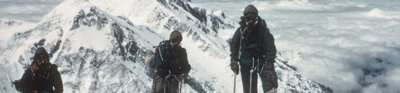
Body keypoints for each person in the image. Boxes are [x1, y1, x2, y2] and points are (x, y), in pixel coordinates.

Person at [230, 5, 278, 93]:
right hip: (246, 63)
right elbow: (234, 46)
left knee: (269, 87)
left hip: (260, 62)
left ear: (256, 17)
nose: (249, 20)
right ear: (244, 18)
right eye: (247, 17)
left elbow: (270, 49)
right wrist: (234, 60)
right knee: (248, 90)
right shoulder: (241, 30)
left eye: (252, 17)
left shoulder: (262, 30)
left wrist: (269, 64)